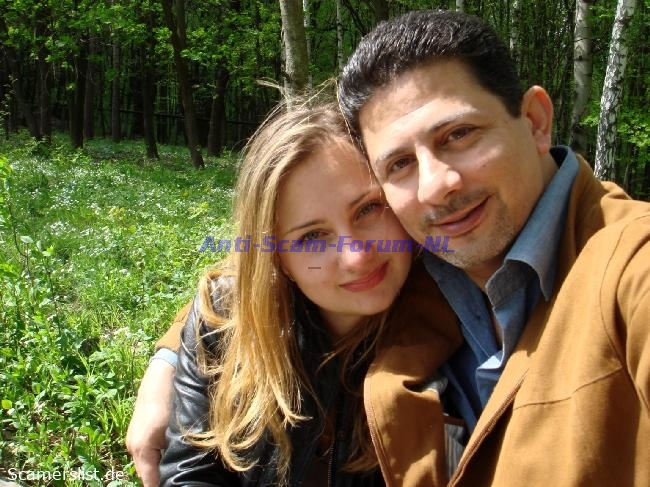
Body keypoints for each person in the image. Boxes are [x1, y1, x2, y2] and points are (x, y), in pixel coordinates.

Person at [335, 8, 650, 486]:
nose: (436, 185)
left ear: (536, 121)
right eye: (399, 164)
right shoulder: (403, 276)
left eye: (458, 135)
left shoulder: (631, 266)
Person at [149, 102, 454, 486]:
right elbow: (191, 473)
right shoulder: (224, 318)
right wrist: (165, 360)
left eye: (368, 209)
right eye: (312, 236)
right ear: (279, 260)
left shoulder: (456, 318)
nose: (356, 257)